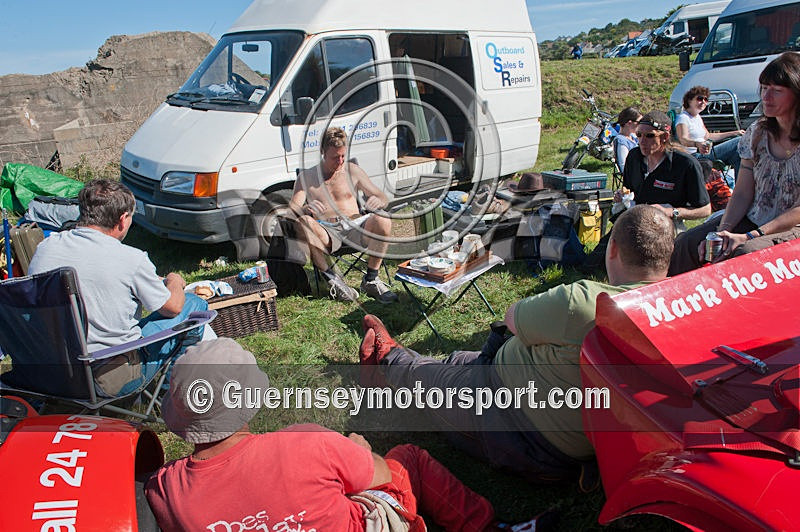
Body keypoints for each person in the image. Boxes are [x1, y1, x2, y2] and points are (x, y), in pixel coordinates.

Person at [360, 205, 674, 484]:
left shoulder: (585, 302)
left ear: (613, 249)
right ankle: (401, 363)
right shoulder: (684, 306)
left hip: (513, 424)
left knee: (423, 380)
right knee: (454, 360)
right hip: (522, 395)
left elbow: (513, 318)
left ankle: (389, 358)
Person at [145, 338, 548, 531]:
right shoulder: (304, 441)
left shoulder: (166, 489)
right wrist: (357, 447)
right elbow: (379, 477)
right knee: (407, 459)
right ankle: (489, 528)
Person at [27, 179, 213, 397]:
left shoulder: (45, 248)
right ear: (123, 219)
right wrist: (174, 279)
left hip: (51, 372)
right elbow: (172, 308)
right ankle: (167, 397)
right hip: (107, 377)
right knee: (194, 306)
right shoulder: (130, 259)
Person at [670, 52, 800, 275]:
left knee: (744, 255)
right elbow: (741, 192)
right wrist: (723, 231)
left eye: (777, 91)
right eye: (764, 88)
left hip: (791, 228)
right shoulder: (757, 133)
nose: (766, 97)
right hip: (753, 218)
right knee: (686, 244)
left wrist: (751, 236)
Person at [582, 111, 709, 273]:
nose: (642, 141)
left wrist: (671, 212)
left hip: (666, 224)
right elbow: (629, 191)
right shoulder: (634, 157)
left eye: (649, 136)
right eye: (639, 135)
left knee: (657, 272)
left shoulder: (685, 164)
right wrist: (622, 197)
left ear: (664, 137)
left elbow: (705, 209)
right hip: (634, 218)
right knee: (591, 266)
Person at [289, 127, 398, 303]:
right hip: (328, 232)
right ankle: (334, 281)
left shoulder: (352, 170)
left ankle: (371, 279)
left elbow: (382, 197)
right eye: (335, 157)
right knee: (303, 222)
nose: (340, 161)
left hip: (357, 227)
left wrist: (378, 201)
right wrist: (304, 209)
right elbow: (291, 210)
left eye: (343, 156)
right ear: (323, 152)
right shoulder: (307, 177)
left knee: (383, 218)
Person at [675, 85, 745, 176]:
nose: (703, 102)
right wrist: (697, 144)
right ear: (689, 100)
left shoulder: (697, 117)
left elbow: (709, 136)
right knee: (739, 141)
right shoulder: (683, 118)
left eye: (706, 100)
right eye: (700, 99)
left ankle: (738, 187)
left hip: (706, 152)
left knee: (738, 154)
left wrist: (735, 132)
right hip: (695, 155)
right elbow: (683, 140)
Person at [613, 106, 641, 173]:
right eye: (639, 122)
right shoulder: (622, 141)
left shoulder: (633, 137)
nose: (641, 125)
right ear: (629, 123)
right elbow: (624, 166)